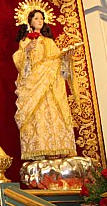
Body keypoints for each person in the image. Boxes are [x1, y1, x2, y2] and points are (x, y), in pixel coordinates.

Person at [13, 9, 77, 160]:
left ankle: (58, 149)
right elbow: (22, 67)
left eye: (41, 18)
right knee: (38, 116)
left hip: (51, 86)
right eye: (36, 18)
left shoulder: (50, 42)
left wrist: (66, 59)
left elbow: (60, 68)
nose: (39, 21)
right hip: (35, 86)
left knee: (55, 114)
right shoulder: (25, 42)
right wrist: (27, 51)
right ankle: (41, 149)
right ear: (30, 21)